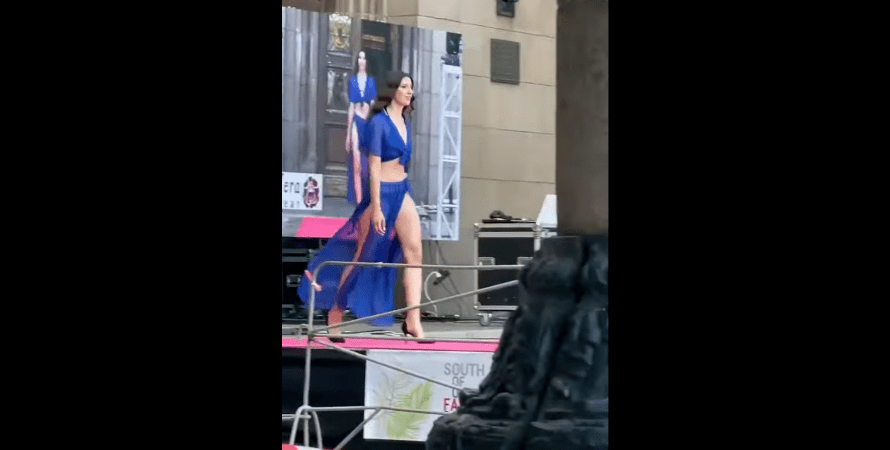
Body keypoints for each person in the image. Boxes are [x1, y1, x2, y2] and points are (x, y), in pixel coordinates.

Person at [299, 71, 425, 339]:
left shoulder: (404, 122)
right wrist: (377, 206)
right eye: (404, 87)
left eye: (411, 87)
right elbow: (374, 168)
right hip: (381, 194)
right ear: (392, 90)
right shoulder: (378, 123)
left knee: (415, 253)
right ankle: (335, 313)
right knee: (363, 257)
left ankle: (413, 319)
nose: (409, 92)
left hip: (402, 191)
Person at [345, 51, 377, 205]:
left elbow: (373, 106)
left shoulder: (371, 81)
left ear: (366, 62)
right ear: (357, 61)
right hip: (356, 122)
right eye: (359, 57)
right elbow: (351, 107)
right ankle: (358, 201)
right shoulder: (352, 81)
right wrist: (348, 135)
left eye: (364, 58)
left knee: (367, 165)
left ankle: (367, 198)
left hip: (367, 123)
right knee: (357, 163)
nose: (362, 60)